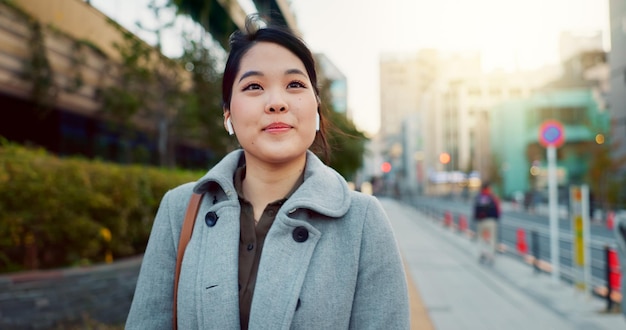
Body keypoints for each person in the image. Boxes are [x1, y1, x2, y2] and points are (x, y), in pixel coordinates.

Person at [125, 14, 410, 329]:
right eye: (254, 86)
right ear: (228, 114)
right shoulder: (179, 210)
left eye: (294, 85)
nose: (276, 102)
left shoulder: (363, 221)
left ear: (316, 107)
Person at [473, 181, 501, 264]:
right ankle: (491, 255)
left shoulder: (478, 197)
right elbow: (498, 209)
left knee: (481, 238)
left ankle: (481, 253)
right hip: (491, 220)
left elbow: (475, 209)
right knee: (492, 238)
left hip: (481, 221)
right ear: (488, 188)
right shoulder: (492, 197)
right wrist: (496, 217)